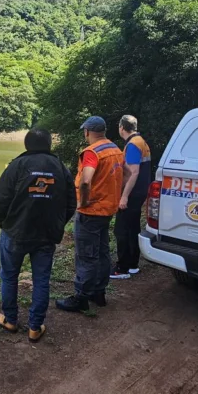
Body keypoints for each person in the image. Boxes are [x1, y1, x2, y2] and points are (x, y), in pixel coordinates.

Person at [0, 128, 76, 343]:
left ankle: (10, 320)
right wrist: (57, 225)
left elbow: (0, 199)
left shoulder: (17, 166)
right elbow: (70, 204)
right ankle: (35, 328)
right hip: (46, 235)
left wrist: (5, 223)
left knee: (9, 277)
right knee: (41, 280)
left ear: (27, 144)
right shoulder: (60, 168)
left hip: (15, 233)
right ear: (49, 144)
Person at [56, 116, 124, 313]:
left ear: (87, 131)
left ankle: (81, 297)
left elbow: (86, 181)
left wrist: (83, 202)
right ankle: (99, 293)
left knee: (86, 255)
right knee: (102, 252)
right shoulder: (115, 149)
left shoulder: (92, 153)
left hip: (91, 211)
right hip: (108, 210)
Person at [112, 115, 152, 280]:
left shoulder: (133, 145)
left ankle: (122, 268)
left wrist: (124, 197)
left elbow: (133, 172)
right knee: (133, 227)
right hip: (141, 191)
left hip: (133, 193)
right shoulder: (141, 141)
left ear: (122, 127)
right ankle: (133, 265)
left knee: (121, 229)